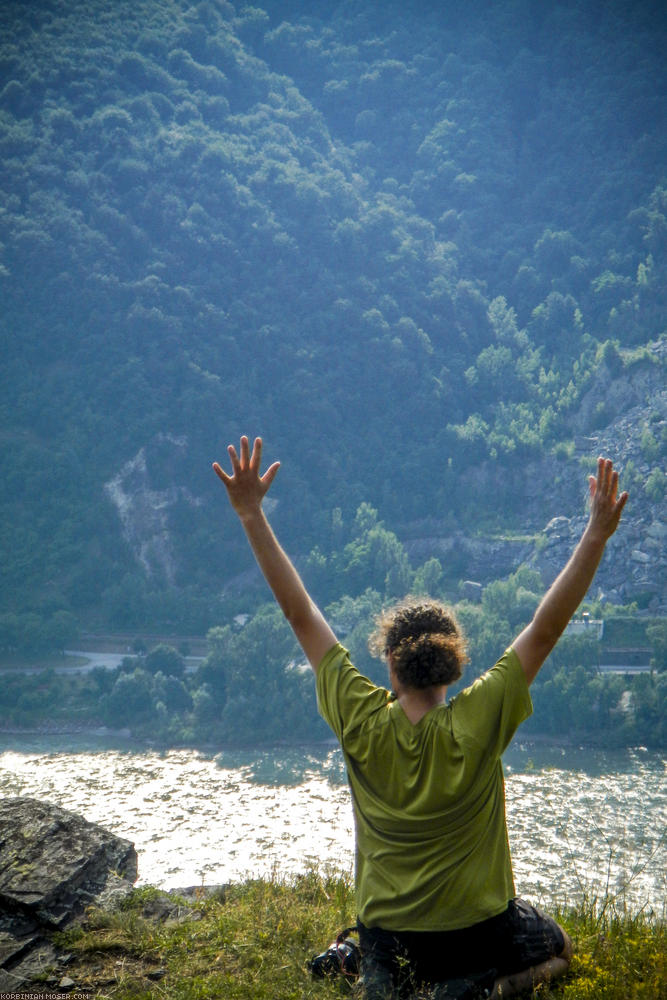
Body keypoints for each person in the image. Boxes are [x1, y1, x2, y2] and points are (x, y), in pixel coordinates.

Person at [213, 437, 628, 1000]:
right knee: (560, 948)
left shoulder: (358, 715)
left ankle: (376, 972)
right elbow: (546, 627)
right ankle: (484, 992)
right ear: (454, 663)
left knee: (386, 964)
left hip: (390, 938)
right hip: (478, 935)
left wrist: (250, 513)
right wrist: (596, 533)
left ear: (390, 663)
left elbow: (298, 611)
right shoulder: (479, 719)